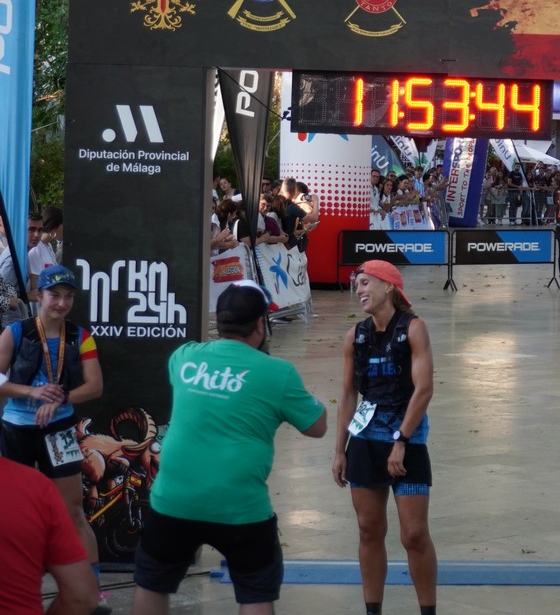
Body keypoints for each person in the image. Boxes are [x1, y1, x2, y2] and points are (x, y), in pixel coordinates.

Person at [133, 283, 327, 615]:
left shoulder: (184, 357)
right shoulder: (278, 373)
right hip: (240, 506)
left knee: (151, 584)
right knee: (255, 593)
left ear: (219, 321)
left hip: (175, 500)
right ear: (260, 324)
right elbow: (317, 426)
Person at [333, 261, 439, 615]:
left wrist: (402, 440)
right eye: (357, 284)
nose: (359, 290)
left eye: (366, 283)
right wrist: (339, 451)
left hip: (407, 441)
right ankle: (373, 609)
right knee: (368, 528)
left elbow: (424, 389)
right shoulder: (355, 336)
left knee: (414, 534)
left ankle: (428, 609)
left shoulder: (413, 328)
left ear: (389, 286)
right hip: (365, 441)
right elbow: (347, 394)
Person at [0, 264, 108, 611]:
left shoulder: (81, 336)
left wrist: (59, 399)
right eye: (54, 295)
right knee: (10, 509)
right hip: (16, 428)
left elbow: (95, 386)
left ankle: (93, 590)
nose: (61, 303)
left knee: (73, 510)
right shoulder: (15, 332)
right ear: (39, 295)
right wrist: (32, 393)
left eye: (67, 297)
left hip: (59, 430)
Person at [0, 454, 100, 615]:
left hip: (54, 439)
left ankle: (96, 588)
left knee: (74, 514)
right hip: (16, 443)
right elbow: (81, 597)